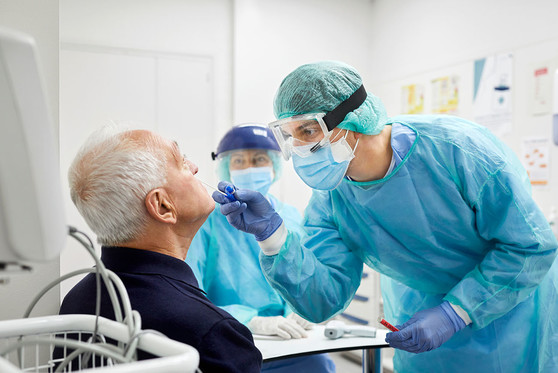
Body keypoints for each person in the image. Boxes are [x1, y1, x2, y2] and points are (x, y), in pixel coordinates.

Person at [211, 61, 558, 373]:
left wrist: (457, 311)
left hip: (511, 314)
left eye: (309, 131)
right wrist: (273, 238)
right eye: (290, 135)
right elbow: (323, 299)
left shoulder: (458, 151)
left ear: (351, 121)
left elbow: (531, 247)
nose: (299, 150)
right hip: (419, 320)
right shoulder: (332, 196)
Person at [60, 126, 262, 372]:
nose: (195, 166)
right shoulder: (213, 333)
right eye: (181, 161)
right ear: (163, 206)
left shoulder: (76, 302)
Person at [186, 124, 336, 372]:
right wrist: (250, 321)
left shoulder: (290, 216)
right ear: (226, 168)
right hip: (229, 333)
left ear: (275, 166)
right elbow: (191, 295)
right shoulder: (207, 221)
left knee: (318, 365)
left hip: (290, 337)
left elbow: (308, 274)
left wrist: (300, 311)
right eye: (239, 161)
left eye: (258, 159)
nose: (250, 168)